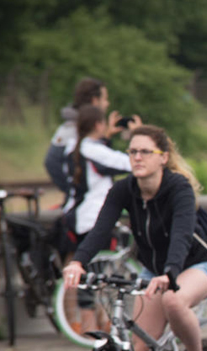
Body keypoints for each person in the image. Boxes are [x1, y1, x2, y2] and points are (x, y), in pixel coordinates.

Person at [62, 125, 207, 351]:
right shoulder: (124, 191)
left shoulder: (177, 188)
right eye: (132, 151)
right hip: (153, 271)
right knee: (138, 350)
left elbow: (181, 234)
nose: (136, 157)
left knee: (173, 301)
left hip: (194, 265)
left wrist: (171, 273)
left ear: (162, 157)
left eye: (144, 152)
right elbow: (101, 229)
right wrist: (77, 262)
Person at [59, 104, 133, 334]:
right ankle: (93, 330)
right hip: (93, 217)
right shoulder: (93, 150)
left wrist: (107, 137)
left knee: (90, 274)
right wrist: (134, 136)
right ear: (98, 124)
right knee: (94, 276)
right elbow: (130, 163)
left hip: (77, 217)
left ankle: (94, 328)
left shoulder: (73, 148)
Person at [44, 78, 134, 197]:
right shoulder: (72, 130)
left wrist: (105, 138)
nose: (108, 103)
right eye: (105, 99)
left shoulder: (73, 128)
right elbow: (52, 163)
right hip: (86, 204)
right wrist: (74, 193)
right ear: (95, 101)